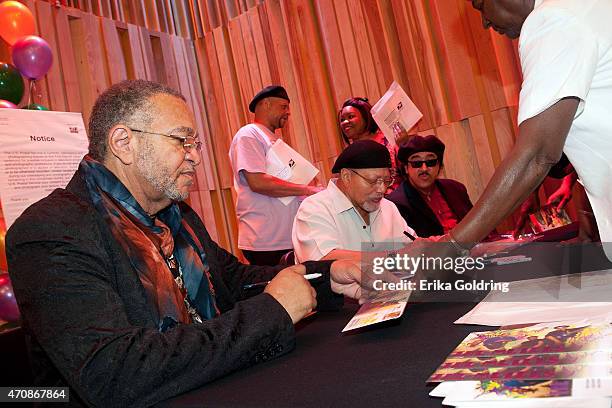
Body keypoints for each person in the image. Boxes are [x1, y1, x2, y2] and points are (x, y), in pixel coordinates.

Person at [6, 80, 362, 407]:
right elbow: (115, 374)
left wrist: (323, 278)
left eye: (195, 143)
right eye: (181, 140)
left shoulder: (175, 214)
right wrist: (272, 311)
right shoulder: (51, 230)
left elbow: (233, 281)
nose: (195, 155)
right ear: (123, 143)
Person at [444, 0, 612, 259]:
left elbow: (538, 154)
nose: (485, 22)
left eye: (480, 6)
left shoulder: (552, 19)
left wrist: (451, 246)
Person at [229, 85, 321, 266]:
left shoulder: (273, 139)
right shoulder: (249, 134)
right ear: (266, 104)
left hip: (285, 238)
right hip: (266, 240)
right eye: (283, 107)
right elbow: (258, 182)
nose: (288, 113)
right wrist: (308, 190)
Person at [292, 140, 413, 263]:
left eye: (386, 181)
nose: (382, 189)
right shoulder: (314, 209)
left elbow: (410, 244)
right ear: (346, 177)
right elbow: (323, 263)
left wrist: (423, 247)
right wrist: (389, 258)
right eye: (373, 181)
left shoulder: (388, 207)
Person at [387, 135, 473, 238]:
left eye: (430, 162)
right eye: (416, 163)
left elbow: (476, 225)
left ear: (440, 166)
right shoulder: (396, 204)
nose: (424, 168)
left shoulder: (456, 189)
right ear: (406, 168)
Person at [338, 97, 400, 190]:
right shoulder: (348, 154)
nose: (345, 122)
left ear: (366, 117)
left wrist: (403, 145)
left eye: (350, 117)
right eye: (342, 119)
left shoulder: (389, 140)